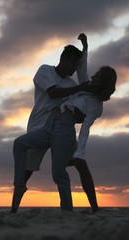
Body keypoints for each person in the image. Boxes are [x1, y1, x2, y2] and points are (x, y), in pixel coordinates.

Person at [11, 33, 93, 214]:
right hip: (40, 126)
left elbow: (79, 101)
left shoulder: (71, 82)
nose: (74, 69)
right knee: (27, 170)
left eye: (77, 66)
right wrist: (80, 88)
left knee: (79, 164)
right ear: (65, 59)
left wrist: (85, 51)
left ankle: (93, 207)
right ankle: (14, 209)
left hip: (61, 130)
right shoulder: (45, 71)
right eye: (74, 64)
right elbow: (53, 93)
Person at [24, 65, 117, 213]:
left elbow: (86, 128)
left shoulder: (96, 106)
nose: (92, 77)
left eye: (97, 77)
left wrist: (80, 152)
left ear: (101, 83)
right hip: (49, 122)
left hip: (64, 127)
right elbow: (82, 70)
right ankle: (16, 203)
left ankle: (90, 207)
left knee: (70, 169)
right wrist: (85, 49)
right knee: (29, 166)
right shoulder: (86, 88)